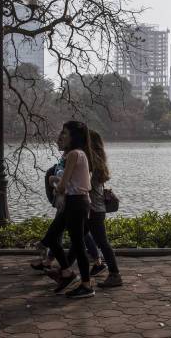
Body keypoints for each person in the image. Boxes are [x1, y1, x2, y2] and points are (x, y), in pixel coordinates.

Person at [31, 130, 102, 275]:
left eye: (64, 137)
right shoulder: (74, 155)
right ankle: (63, 267)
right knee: (73, 235)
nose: (59, 141)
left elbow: (68, 182)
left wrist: (53, 180)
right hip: (71, 200)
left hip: (75, 200)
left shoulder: (78, 155)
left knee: (78, 238)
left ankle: (82, 269)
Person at [42, 121, 95, 298]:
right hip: (76, 202)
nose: (61, 136)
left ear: (74, 136)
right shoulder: (80, 154)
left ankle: (85, 285)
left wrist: (52, 181)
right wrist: (58, 182)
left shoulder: (74, 154)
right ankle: (66, 273)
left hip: (76, 202)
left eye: (65, 133)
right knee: (51, 237)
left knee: (78, 244)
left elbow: (63, 186)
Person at [66, 130, 122, 287]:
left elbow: (86, 184)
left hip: (93, 209)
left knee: (101, 242)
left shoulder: (90, 161)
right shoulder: (98, 160)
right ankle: (64, 269)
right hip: (95, 207)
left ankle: (115, 274)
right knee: (78, 239)